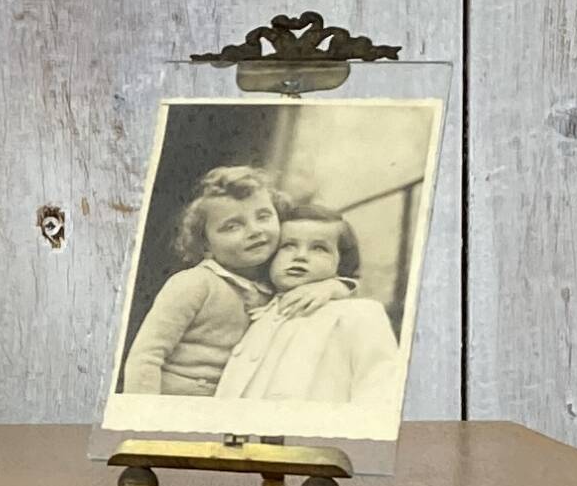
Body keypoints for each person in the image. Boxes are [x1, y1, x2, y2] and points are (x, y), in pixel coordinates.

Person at [211, 206, 403, 416]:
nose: (300, 256)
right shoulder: (255, 311)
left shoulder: (359, 314)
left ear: (341, 262)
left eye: (319, 248)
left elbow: (379, 391)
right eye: (287, 246)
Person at [120, 164, 284, 396]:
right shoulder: (195, 283)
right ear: (205, 244)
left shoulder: (276, 284)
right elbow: (146, 357)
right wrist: (143, 418)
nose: (255, 231)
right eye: (232, 226)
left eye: (263, 216)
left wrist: (335, 286)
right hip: (172, 406)